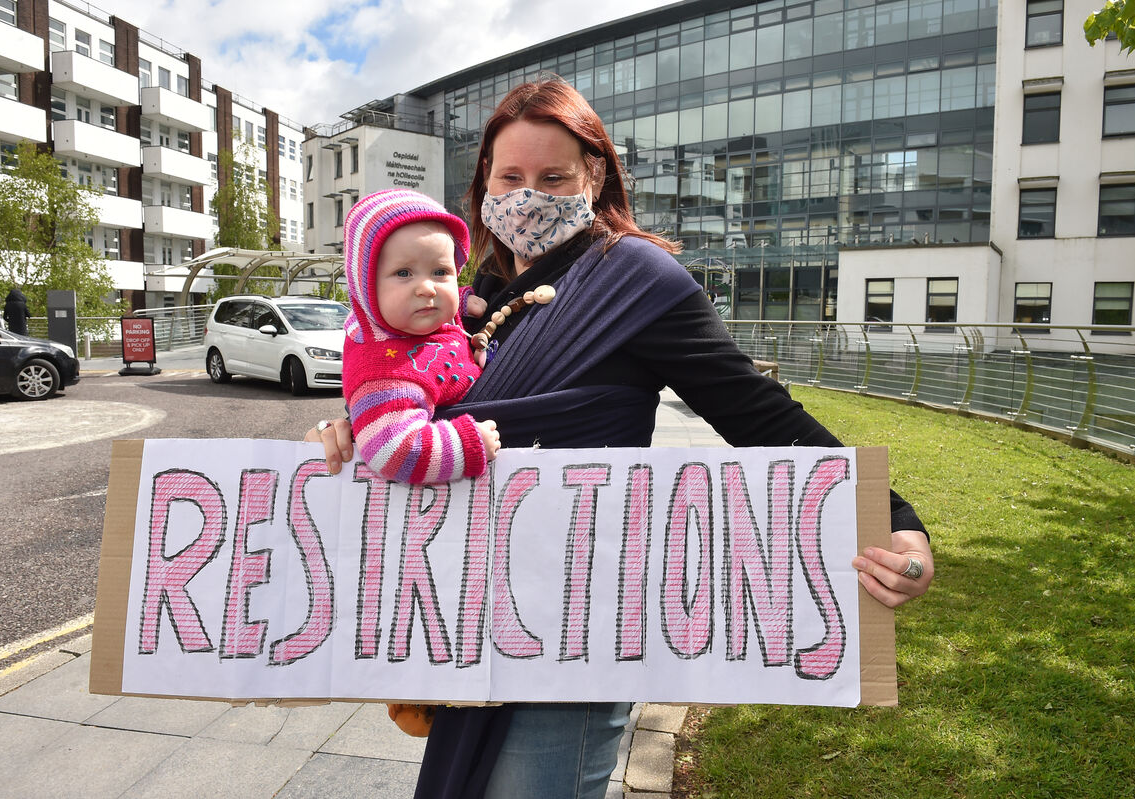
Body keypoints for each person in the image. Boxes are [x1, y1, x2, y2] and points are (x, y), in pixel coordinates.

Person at [308, 79, 935, 799]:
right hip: (477, 616)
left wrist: (896, 522)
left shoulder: (638, 278)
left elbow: (760, 414)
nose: (527, 195)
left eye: (553, 177)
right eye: (509, 177)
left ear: (595, 174)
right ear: (484, 181)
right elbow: (422, 406)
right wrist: (360, 428)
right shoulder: (472, 294)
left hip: (582, 627)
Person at [335, 188, 501, 485]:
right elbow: (392, 451)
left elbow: (436, 305)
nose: (428, 288)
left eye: (440, 271)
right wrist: (467, 444)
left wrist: (460, 302)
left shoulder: (409, 318)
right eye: (403, 273)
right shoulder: (384, 374)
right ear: (366, 286)